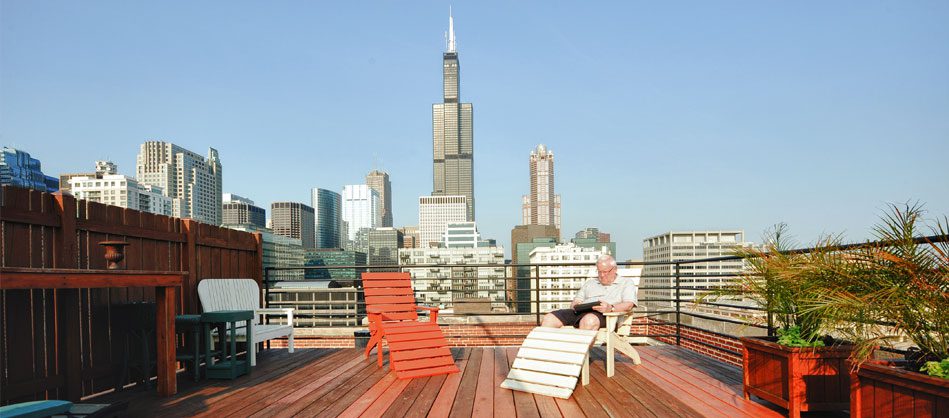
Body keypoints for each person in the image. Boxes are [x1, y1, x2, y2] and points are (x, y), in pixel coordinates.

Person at [541, 254, 638, 330]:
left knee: (589, 320)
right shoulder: (590, 283)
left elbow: (629, 304)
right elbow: (576, 301)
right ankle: (546, 354)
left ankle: (578, 354)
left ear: (615, 269)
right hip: (581, 313)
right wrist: (576, 306)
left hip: (607, 316)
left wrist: (611, 308)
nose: (602, 275)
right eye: (599, 271)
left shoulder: (626, 283)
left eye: (605, 272)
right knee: (549, 318)